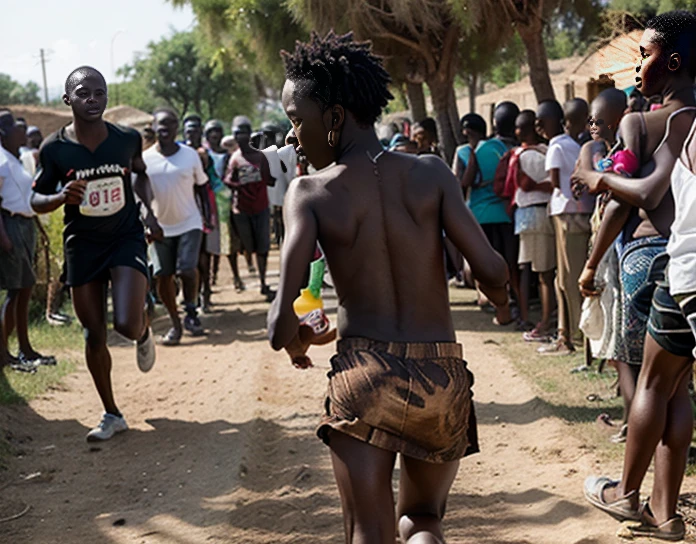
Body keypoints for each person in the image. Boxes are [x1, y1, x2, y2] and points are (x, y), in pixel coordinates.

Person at [269, 31, 510, 544]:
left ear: (333, 118)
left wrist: (300, 335)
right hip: (441, 378)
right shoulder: (432, 173)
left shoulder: (310, 192)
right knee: (422, 520)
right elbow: (491, 270)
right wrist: (504, 300)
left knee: (370, 532)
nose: (291, 136)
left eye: (296, 119)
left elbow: (278, 323)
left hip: (365, 377)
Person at [575, 11, 696, 540]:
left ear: (671, 63)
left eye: (644, 55)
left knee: (651, 381)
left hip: (678, 264)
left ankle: (626, 495)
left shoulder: (669, 122)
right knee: (677, 387)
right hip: (675, 263)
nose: (636, 65)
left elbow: (643, 195)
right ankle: (666, 514)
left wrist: (592, 175)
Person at [31, 67, 161, 441]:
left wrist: (149, 210)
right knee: (93, 334)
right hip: (82, 245)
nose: (92, 99)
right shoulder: (54, 149)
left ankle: (143, 326)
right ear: (67, 99)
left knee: (125, 323)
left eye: (99, 93)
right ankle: (112, 413)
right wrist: (60, 197)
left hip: (124, 237)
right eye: (83, 93)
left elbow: (139, 174)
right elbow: (36, 198)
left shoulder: (127, 139)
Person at [143, 108, 210, 345]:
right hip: (160, 226)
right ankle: (175, 323)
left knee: (186, 269)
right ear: (154, 126)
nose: (166, 128)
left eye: (171, 124)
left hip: (189, 222)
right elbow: (140, 193)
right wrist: (147, 220)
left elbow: (202, 186)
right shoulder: (146, 158)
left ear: (177, 128)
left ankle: (191, 312)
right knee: (163, 276)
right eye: (161, 124)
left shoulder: (190, 155)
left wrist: (207, 216)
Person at [535, 99, 594, 354]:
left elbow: (556, 183)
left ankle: (574, 336)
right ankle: (566, 334)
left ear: (558, 121)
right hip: (584, 212)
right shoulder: (582, 145)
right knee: (567, 277)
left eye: (541, 121)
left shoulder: (556, 146)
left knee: (567, 278)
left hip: (565, 214)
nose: (538, 126)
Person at [0, 111, 55, 373]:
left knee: (24, 289)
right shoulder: (0, 161)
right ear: (3, 133)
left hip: (23, 226)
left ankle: (25, 349)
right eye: (14, 127)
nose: (21, 130)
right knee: (14, 292)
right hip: (10, 228)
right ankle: (5, 355)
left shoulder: (14, 159)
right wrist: (4, 237)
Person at [461, 101, 520, 323]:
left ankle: (496, 304)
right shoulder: (518, 148)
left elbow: (466, 181)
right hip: (508, 214)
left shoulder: (482, 149)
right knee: (512, 263)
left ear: (494, 123)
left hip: (482, 214)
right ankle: (516, 304)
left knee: (488, 263)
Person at [501, 110, 556, 340]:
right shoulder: (547, 151)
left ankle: (531, 318)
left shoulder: (517, 155)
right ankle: (550, 315)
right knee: (547, 271)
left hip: (526, 214)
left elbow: (515, 186)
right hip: (547, 211)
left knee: (528, 270)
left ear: (522, 130)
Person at [224, 116, 276, 302]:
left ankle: (263, 282)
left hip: (261, 206)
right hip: (242, 210)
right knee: (248, 245)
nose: (241, 138)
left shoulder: (261, 156)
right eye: (238, 134)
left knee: (263, 246)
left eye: (244, 133)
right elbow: (227, 180)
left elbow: (270, 178)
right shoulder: (235, 159)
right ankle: (243, 272)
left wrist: (262, 179)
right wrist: (239, 182)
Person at [204, 119, 245, 292]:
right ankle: (212, 277)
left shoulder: (230, 156)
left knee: (231, 242)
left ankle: (236, 277)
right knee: (211, 243)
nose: (215, 136)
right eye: (211, 133)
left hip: (228, 205)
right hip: (210, 205)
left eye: (218, 132)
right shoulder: (203, 156)